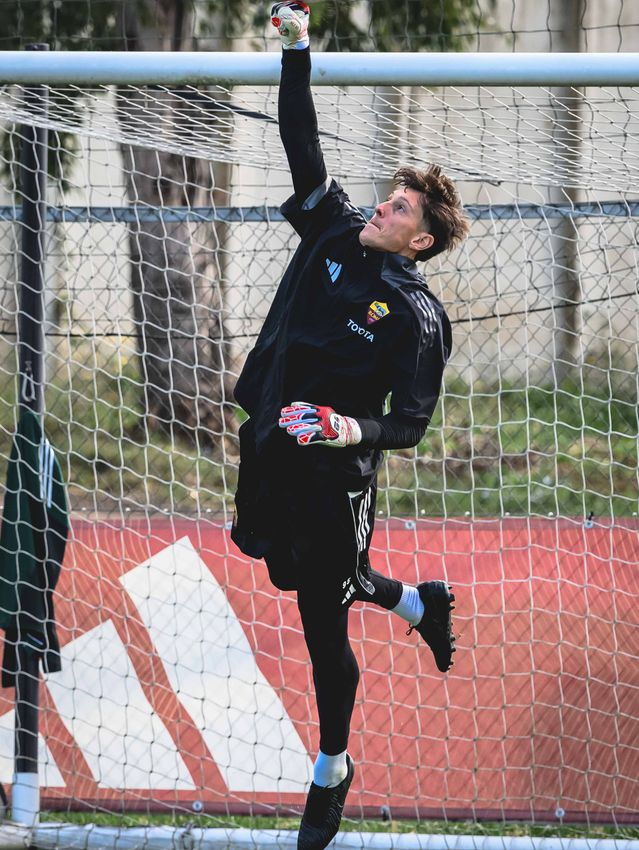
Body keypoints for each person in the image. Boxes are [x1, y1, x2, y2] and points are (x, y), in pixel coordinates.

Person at [231, 4, 470, 849]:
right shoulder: (333, 226)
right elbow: (301, 142)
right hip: (268, 442)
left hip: (334, 480)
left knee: (320, 627)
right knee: (281, 567)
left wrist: (346, 429)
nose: (381, 207)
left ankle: (331, 769)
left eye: (399, 208)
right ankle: (414, 600)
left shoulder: (415, 317)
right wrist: (296, 51)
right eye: (387, 197)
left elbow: (408, 425)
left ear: (421, 241)